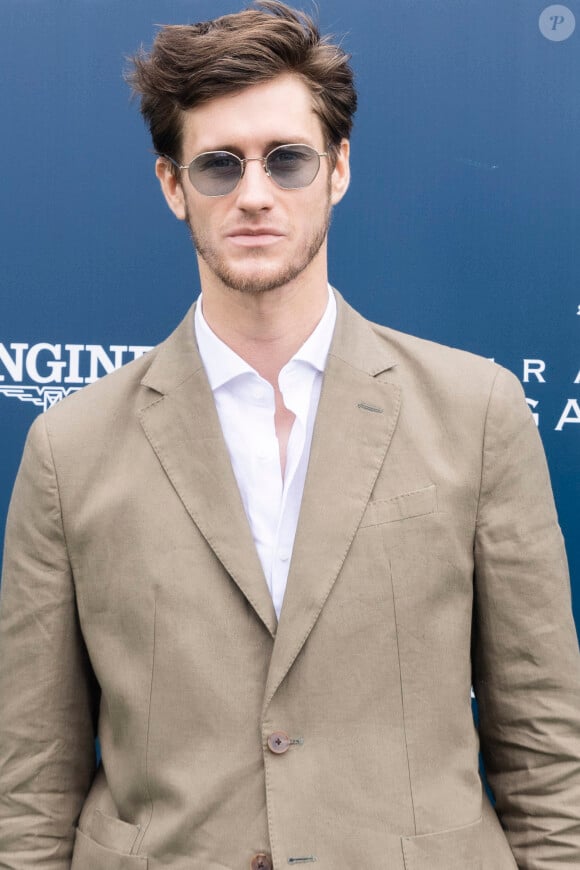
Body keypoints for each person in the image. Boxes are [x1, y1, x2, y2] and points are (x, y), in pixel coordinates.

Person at [0, 1, 579, 868]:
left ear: (338, 169)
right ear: (171, 185)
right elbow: (33, 781)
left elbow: (543, 751)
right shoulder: (68, 448)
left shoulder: (478, 411)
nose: (255, 194)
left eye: (287, 159)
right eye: (219, 166)